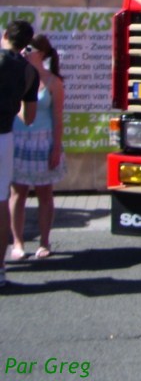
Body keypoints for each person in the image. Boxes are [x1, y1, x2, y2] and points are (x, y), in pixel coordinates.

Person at [9, 34, 66, 262]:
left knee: (44, 193)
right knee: (17, 193)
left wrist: (55, 148)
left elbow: (58, 118)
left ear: (41, 53)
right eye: (22, 48)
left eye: (29, 48)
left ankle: (44, 241)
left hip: (43, 142)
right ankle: (18, 242)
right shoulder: (16, 78)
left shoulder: (54, 82)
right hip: (19, 140)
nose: (24, 52)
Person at [0, 20, 39, 287]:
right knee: (2, 201)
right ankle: (0, 268)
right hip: (4, 136)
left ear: (4, 35)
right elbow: (28, 117)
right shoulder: (29, 71)